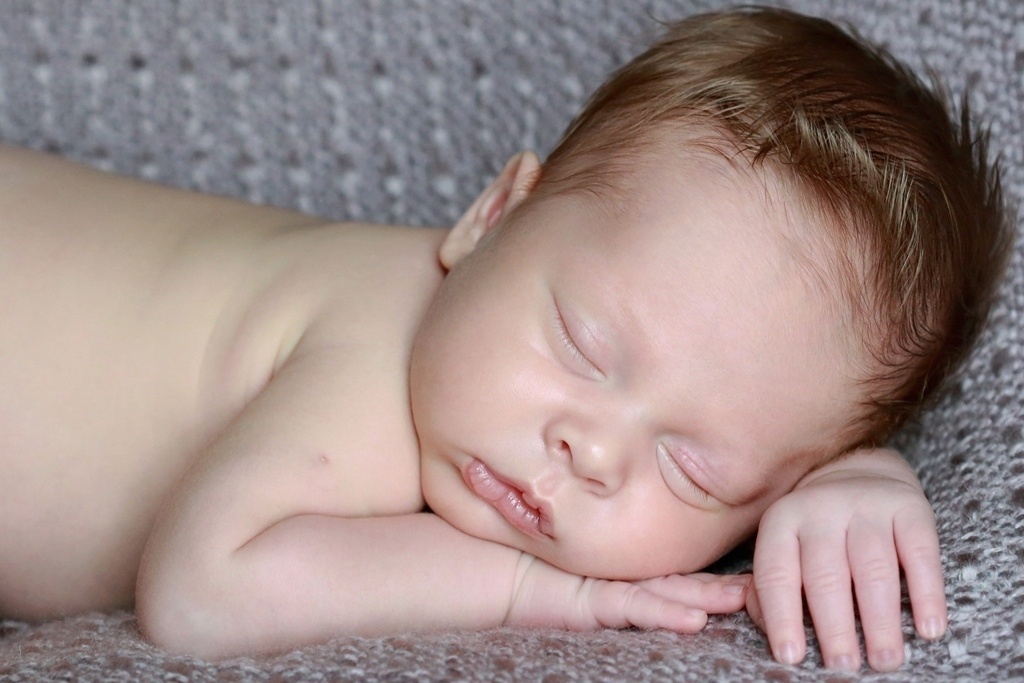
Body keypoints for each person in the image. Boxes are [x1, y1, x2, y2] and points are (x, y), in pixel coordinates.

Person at [0, 6, 1009, 674]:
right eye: (580, 342)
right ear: (491, 216)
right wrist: (539, 588)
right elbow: (202, 591)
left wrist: (855, 479)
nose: (593, 447)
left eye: (692, 466)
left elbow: (763, 400)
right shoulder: (370, 348)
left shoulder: (534, 366)